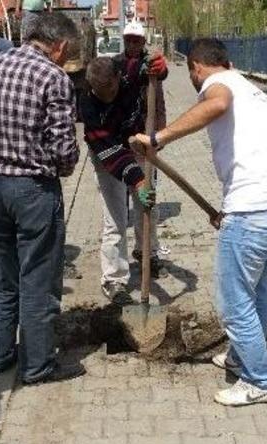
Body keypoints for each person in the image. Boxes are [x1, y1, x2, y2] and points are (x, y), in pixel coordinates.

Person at [131, 38, 267, 407]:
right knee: (258, 293)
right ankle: (242, 356)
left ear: (196, 68)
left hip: (252, 216)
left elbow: (217, 102)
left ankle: (259, 380)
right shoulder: (256, 93)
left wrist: (158, 137)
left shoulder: (218, 87)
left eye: (192, 75)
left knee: (234, 303)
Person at [0, 12, 85, 384]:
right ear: (60, 45)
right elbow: (64, 146)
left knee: (3, 276)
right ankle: (37, 366)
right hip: (34, 189)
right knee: (38, 280)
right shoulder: (53, 77)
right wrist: (62, 170)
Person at [81, 56, 165, 305]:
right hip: (108, 157)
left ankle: (147, 253)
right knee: (115, 219)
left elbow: (146, 70)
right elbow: (111, 153)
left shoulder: (126, 76)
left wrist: (159, 69)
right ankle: (114, 279)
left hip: (138, 143)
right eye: (101, 92)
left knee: (147, 207)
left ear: (118, 78)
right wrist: (136, 181)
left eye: (112, 90)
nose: (107, 97)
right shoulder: (87, 105)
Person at [114, 20, 169, 273]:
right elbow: (118, 76)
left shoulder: (153, 64)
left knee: (146, 202)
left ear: (143, 41)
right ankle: (117, 263)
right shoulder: (117, 64)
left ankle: (149, 251)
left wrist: (158, 136)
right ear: (124, 40)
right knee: (116, 208)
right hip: (120, 143)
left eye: (137, 40)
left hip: (146, 141)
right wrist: (136, 68)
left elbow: (162, 75)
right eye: (129, 40)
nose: (133, 44)